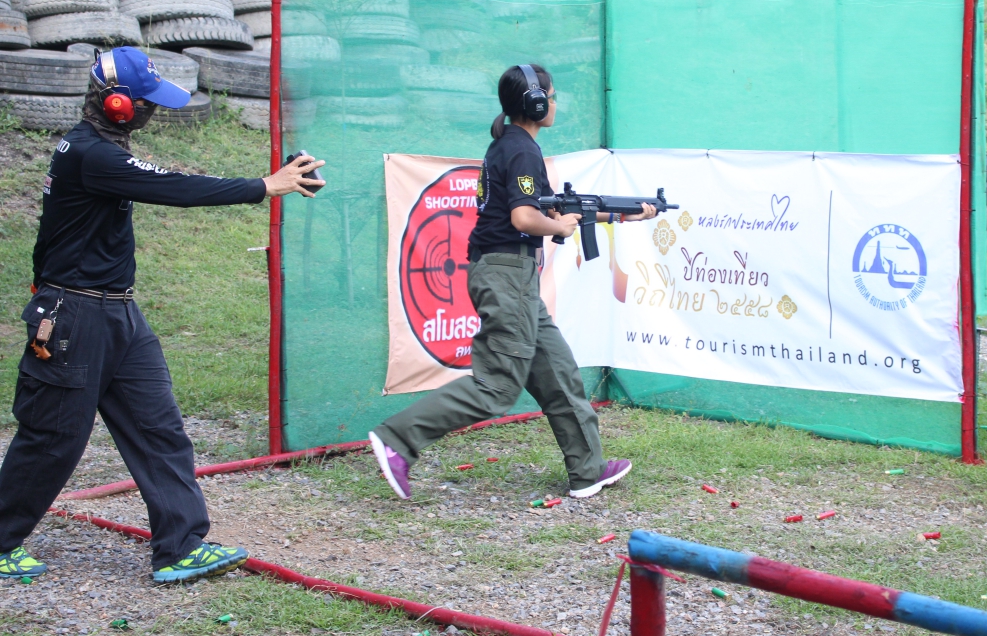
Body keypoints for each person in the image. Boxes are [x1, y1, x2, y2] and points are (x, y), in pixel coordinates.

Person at [0, 46, 325, 583]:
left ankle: (179, 546)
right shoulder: (92, 155)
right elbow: (174, 188)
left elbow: (160, 178)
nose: (152, 111)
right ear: (117, 104)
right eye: (143, 101)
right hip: (74, 316)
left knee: (159, 427)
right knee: (53, 438)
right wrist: (265, 186)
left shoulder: (100, 151)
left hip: (118, 313)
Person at [370, 64, 654, 501]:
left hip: (513, 276)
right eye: (552, 95)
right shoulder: (522, 151)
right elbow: (525, 218)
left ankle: (587, 470)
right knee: (498, 385)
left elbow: (537, 212)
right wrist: (558, 228)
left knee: (558, 371)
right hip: (506, 275)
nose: (555, 103)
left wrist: (625, 212)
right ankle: (398, 439)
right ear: (535, 103)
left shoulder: (509, 145)